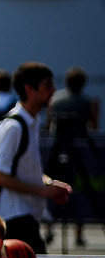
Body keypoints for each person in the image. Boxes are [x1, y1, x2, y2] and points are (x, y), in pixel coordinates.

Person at [0, 62, 72, 254]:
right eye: (47, 84)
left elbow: (25, 170)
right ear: (29, 88)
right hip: (15, 219)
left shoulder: (31, 122)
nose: (53, 90)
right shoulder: (13, 126)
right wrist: (43, 191)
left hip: (26, 218)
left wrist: (49, 184)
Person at [45, 65, 99, 247]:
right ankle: (79, 234)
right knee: (78, 191)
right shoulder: (86, 101)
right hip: (77, 152)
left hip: (57, 150)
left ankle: (49, 230)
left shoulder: (55, 100)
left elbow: (48, 124)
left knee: (53, 188)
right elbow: (94, 125)